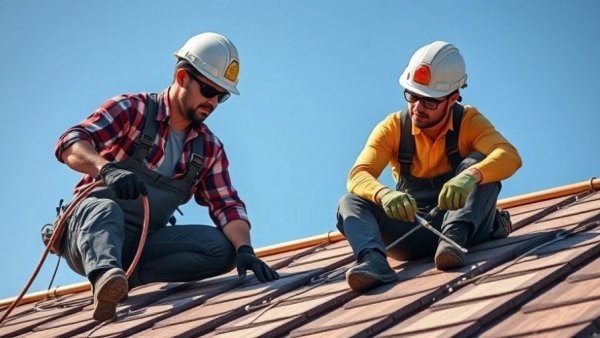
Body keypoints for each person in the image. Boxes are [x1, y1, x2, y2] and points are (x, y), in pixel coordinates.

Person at [54, 32, 279, 321]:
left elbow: (226, 204)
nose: (212, 103)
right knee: (104, 207)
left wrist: (245, 249)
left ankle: (124, 281)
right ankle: (104, 277)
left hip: (142, 243)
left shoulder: (208, 147)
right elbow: (70, 142)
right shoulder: (131, 109)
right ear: (183, 77)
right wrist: (106, 169)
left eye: (221, 97)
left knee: (221, 249)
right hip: (88, 233)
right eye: (208, 91)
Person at [336, 41, 522, 292]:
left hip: (465, 227)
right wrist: (385, 194)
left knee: (477, 164)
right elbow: (358, 175)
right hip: (413, 230)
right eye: (412, 96)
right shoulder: (392, 128)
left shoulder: (469, 122)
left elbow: (509, 155)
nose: (417, 107)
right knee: (349, 202)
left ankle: (453, 241)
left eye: (429, 101)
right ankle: (374, 262)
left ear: (453, 98)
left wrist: (470, 177)